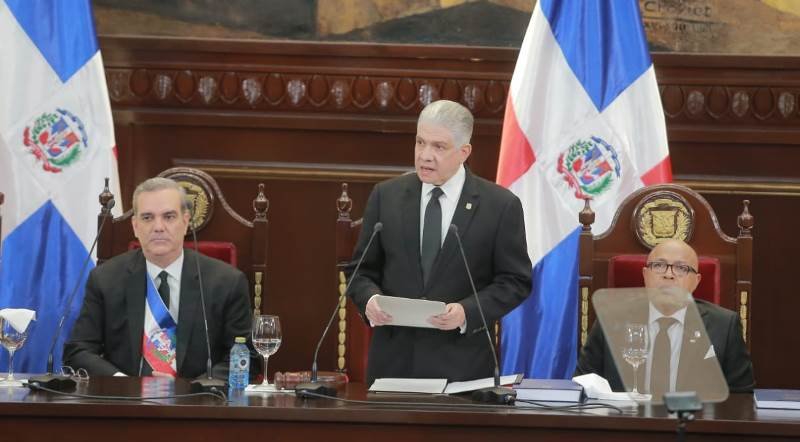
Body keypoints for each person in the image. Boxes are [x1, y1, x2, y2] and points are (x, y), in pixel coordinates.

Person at [347, 100, 532, 384]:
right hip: (393, 365)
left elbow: (515, 281)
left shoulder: (499, 206)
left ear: (464, 152)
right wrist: (370, 300)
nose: (425, 156)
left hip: (463, 369)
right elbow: (360, 272)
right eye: (420, 142)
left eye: (439, 147)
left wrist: (467, 312)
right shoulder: (386, 196)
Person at [64, 177, 258, 379]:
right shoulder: (105, 279)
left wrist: (189, 389)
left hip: (197, 397)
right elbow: (78, 351)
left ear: (185, 221)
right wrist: (123, 383)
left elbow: (247, 359)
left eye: (169, 216)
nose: (158, 227)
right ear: (135, 226)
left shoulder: (226, 282)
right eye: (147, 217)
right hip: (125, 396)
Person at [575, 239, 755, 394]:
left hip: (693, 422)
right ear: (645, 275)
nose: (668, 275)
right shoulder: (610, 319)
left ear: (696, 281)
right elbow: (583, 385)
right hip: (625, 421)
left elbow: (741, 399)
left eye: (681, 268)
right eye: (659, 266)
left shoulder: (724, 326)